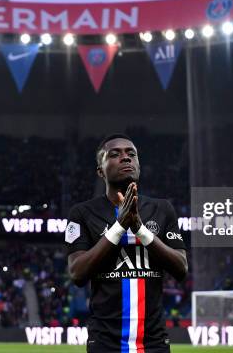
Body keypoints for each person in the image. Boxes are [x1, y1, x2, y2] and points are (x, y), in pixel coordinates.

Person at [66, 134, 188, 353]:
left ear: (139, 166)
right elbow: (77, 273)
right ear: (100, 171)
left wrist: (140, 229)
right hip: (104, 344)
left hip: (154, 344)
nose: (125, 158)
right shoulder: (82, 213)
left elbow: (181, 268)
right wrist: (119, 226)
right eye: (115, 154)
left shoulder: (162, 209)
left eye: (131, 154)